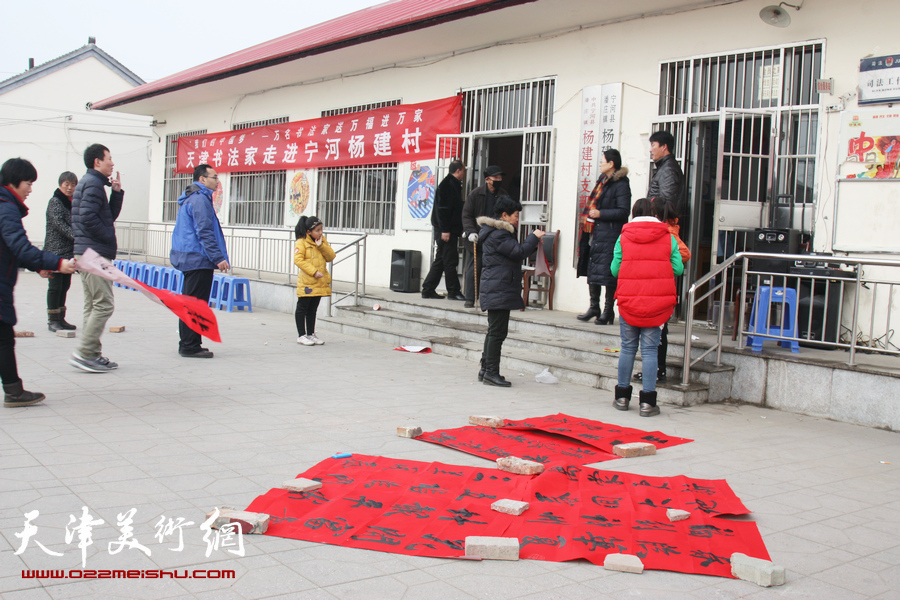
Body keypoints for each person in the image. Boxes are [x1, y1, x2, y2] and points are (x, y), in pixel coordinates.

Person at [1, 158, 77, 406]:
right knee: (3, 337)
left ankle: (13, 390)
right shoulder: (6, 207)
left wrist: (38, 266)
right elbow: (20, 247)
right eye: (28, 183)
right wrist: (55, 263)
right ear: (13, 182)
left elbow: (9, 249)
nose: (30, 189)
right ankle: (13, 392)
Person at [611, 198, 683, 417]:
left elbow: (615, 270)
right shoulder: (668, 238)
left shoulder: (623, 237)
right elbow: (678, 269)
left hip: (629, 302)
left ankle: (622, 398)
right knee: (650, 350)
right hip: (657, 304)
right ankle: (648, 403)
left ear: (633, 214)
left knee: (628, 347)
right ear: (655, 214)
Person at [476, 196, 544, 387]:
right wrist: (534, 237)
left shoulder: (495, 233)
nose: (517, 220)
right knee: (497, 332)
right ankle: (491, 372)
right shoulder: (499, 234)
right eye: (515, 216)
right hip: (498, 288)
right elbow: (519, 252)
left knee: (494, 331)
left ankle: (485, 369)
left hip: (497, 286)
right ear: (504, 215)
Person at [70, 143, 124, 373]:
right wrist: (107, 239)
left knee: (92, 305)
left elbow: (107, 216)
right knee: (104, 304)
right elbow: (89, 220)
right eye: (108, 158)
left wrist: (117, 193)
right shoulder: (92, 184)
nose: (112, 163)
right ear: (97, 162)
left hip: (87, 251)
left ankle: (91, 354)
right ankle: (84, 352)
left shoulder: (92, 184)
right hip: (93, 253)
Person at [170, 164, 230, 358]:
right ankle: (188, 345)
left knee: (195, 303)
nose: (217, 180)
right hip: (198, 259)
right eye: (214, 177)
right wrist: (218, 257)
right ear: (202, 179)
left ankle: (193, 342)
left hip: (193, 258)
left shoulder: (195, 198)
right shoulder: (199, 200)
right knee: (193, 303)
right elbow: (204, 231)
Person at [635, 199, 692, 384]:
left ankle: (659, 371)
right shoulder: (666, 230)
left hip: (661, 290)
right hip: (661, 288)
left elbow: (685, 253)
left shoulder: (667, 232)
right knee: (658, 333)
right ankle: (657, 370)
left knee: (659, 334)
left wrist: (662, 264)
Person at [580, 149, 631, 325]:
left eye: (602, 161)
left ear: (611, 164)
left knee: (610, 273)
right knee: (593, 269)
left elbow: (624, 211)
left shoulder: (621, 184)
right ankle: (594, 306)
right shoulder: (602, 181)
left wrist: (601, 213)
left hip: (611, 235)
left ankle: (609, 310)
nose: (600, 164)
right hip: (596, 233)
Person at [461, 165, 508, 308]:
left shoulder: (503, 195)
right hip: (478, 236)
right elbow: (466, 215)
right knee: (474, 267)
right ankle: (470, 298)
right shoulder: (475, 195)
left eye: (500, 177)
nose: (499, 180)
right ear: (487, 179)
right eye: (496, 178)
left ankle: (490, 298)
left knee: (494, 269)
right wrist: (470, 231)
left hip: (495, 237)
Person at [422, 161, 466, 300]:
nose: (464, 174)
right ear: (458, 171)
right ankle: (453, 292)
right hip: (445, 230)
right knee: (450, 261)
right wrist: (445, 230)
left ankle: (428, 289)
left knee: (441, 260)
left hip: (447, 229)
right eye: (463, 171)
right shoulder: (447, 185)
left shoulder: (453, 184)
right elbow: (443, 210)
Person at [44, 171, 78, 332]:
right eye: (67, 184)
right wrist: (77, 237)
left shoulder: (72, 203)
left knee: (65, 285)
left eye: (73, 185)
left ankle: (61, 318)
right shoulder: (56, 201)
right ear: (60, 185)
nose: (70, 188)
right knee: (55, 286)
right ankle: (52, 320)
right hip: (54, 251)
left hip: (68, 252)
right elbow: (59, 224)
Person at [294, 215, 335, 346]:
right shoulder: (301, 242)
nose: (320, 232)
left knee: (312, 309)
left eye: (321, 229)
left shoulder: (322, 241)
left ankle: (311, 334)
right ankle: (301, 335)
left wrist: (321, 246)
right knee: (302, 308)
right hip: (307, 281)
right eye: (317, 230)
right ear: (308, 232)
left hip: (319, 281)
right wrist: (313, 271)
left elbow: (331, 256)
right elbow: (298, 259)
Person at [647, 130, 684, 209]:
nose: (650, 150)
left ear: (664, 147)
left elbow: (666, 203)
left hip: (660, 219)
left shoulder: (668, 170)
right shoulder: (664, 167)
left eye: (653, 145)